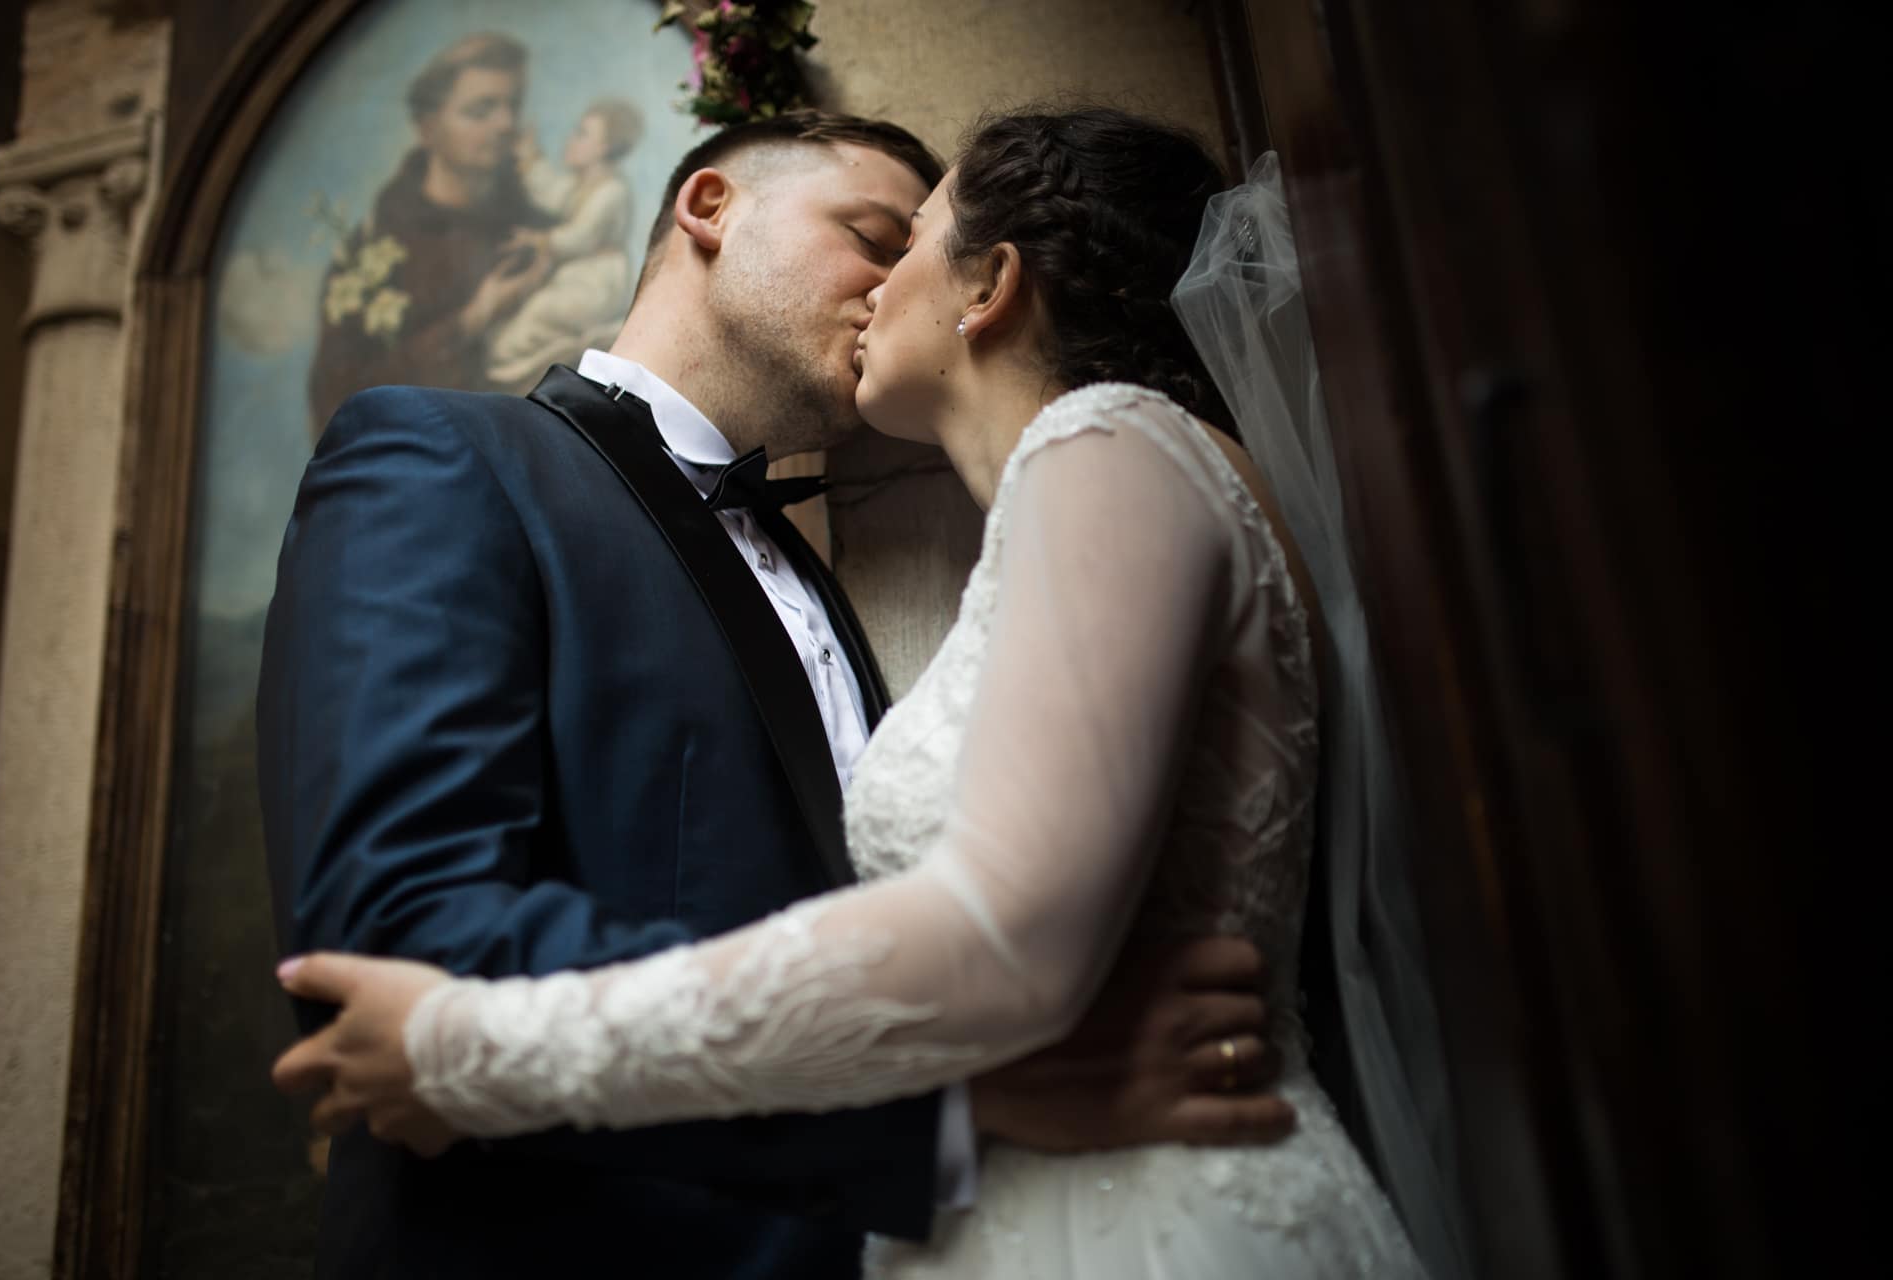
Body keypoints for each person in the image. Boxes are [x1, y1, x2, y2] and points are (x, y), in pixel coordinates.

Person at [259, 107, 1290, 1280]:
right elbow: (389, 946)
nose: (896, 282)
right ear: (711, 208)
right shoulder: (443, 459)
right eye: (873, 235)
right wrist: (940, 1108)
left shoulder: (825, 572)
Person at [306, 32, 555, 430]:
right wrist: (474, 318)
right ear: (428, 127)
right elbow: (338, 407)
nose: (506, 124)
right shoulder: (373, 254)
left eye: (513, 106)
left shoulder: (538, 229)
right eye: (481, 110)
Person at [486, 98, 644, 388]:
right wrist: (531, 158)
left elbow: (581, 238)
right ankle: (514, 367)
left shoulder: (612, 191)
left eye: (582, 134)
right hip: (579, 276)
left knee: (538, 314)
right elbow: (553, 192)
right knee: (525, 320)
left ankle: (523, 368)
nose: (571, 140)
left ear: (604, 147)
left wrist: (536, 239)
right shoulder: (582, 184)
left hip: (598, 284)